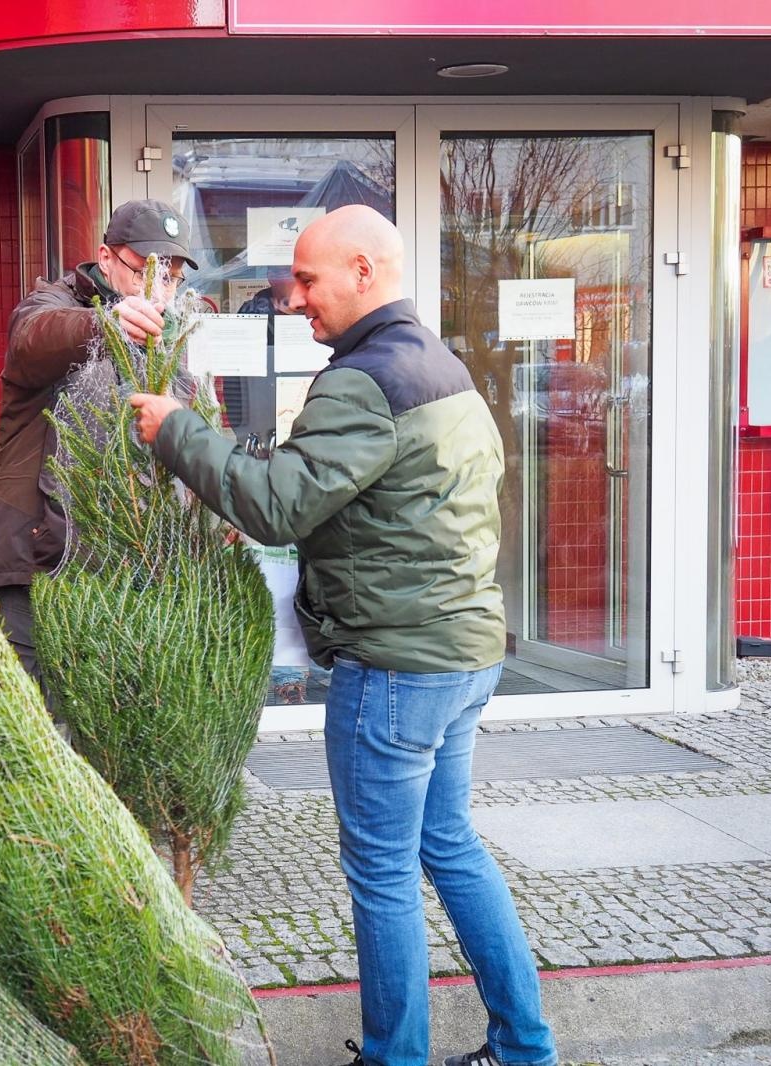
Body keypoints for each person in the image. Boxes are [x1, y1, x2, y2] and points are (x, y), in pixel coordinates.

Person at [129, 205, 557, 1066]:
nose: (293, 299)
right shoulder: (442, 367)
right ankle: (525, 1047)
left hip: (396, 668)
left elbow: (278, 502)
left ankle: (394, 1058)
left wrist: (175, 429)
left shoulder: (362, 379)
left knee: (385, 872)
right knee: (451, 846)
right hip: (463, 652)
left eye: (309, 278)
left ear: (365, 271)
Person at [0, 199, 196, 689]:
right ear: (105, 258)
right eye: (144, 270)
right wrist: (107, 323)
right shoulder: (52, 306)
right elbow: (32, 339)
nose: (157, 289)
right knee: (34, 723)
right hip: (37, 563)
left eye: (171, 277)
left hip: (122, 570)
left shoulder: (166, 340)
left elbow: (189, 423)